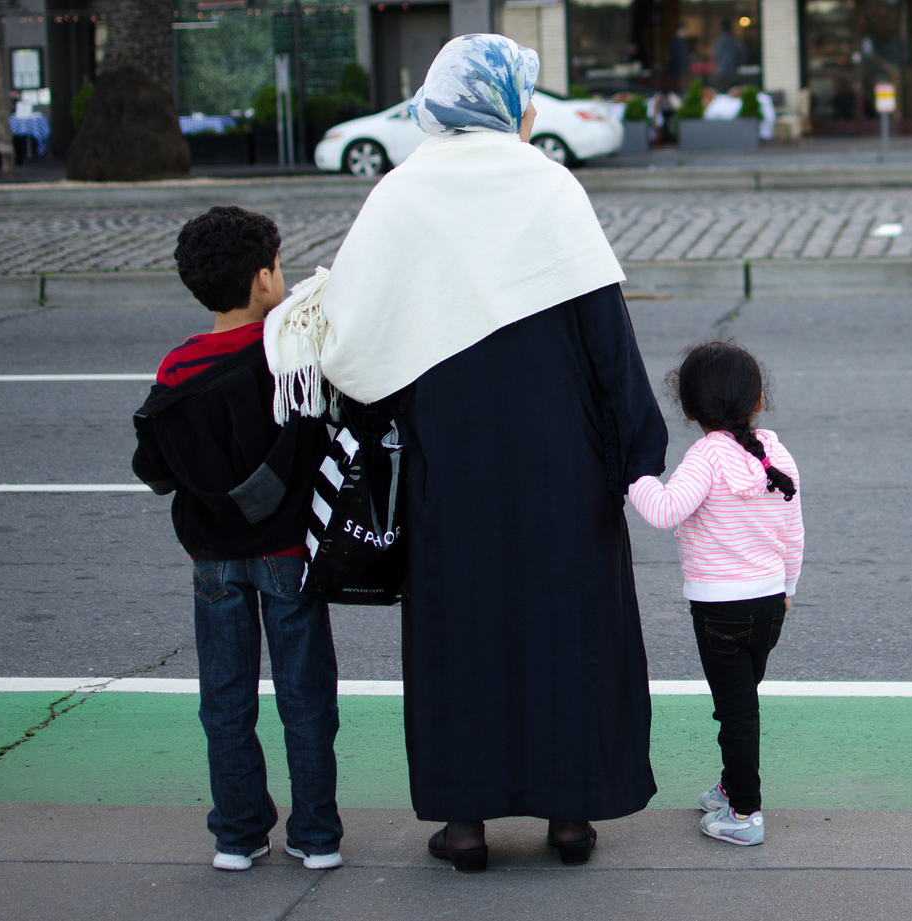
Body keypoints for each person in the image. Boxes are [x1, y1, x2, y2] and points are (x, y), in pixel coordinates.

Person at [263, 34, 667, 872]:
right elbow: (606, 335)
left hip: (449, 463)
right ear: (508, 101)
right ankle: (569, 817)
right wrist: (635, 450)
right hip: (564, 462)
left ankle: (466, 824)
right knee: (570, 630)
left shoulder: (402, 194)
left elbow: (355, 343)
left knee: (461, 636)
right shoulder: (549, 186)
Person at [132, 206, 343, 872]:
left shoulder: (176, 370)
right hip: (288, 553)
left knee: (225, 697)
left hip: (213, 560)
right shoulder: (291, 360)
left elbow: (154, 468)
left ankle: (238, 833)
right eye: (279, 265)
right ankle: (315, 835)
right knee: (306, 696)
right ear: (262, 280)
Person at [627, 340, 803, 847]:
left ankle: (745, 813)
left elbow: (664, 511)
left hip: (719, 608)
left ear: (687, 409)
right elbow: (793, 530)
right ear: (758, 399)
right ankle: (731, 786)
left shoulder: (705, 456)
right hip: (771, 604)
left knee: (736, 710)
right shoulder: (776, 450)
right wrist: (788, 585)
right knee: (741, 703)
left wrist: (632, 476)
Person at [712, 20, 746, 93]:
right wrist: (739, 63)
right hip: (732, 70)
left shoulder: (719, 41)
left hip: (721, 71)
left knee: (722, 93)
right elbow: (743, 54)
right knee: (733, 93)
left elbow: (715, 55)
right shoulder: (734, 40)